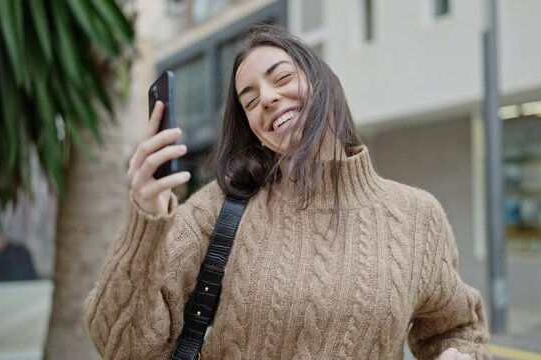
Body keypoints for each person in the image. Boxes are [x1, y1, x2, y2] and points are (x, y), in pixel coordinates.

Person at [85, 24, 490, 359]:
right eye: (250, 100)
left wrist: (460, 354)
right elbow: (121, 345)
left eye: (281, 77)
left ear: (323, 81)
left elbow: (456, 329)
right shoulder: (218, 209)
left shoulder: (416, 216)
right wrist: (145, 220)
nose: (267, 98)